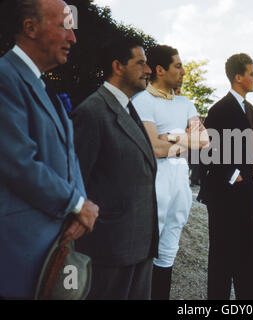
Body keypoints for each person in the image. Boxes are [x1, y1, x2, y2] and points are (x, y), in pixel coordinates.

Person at [0, 0, 99, 299]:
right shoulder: (5, 77)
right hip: (19, 254)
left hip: (53, 245)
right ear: (30, 28)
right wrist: (76, 204)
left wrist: (78, 207)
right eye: (64, 27)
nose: (73, 38)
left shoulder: (40, 84)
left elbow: (69, 155)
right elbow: (17, 162)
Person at [71, 38, 158, 300]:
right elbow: (76, 181)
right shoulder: (92, 111)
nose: (149, 70)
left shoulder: (128, 108)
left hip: (139, 247)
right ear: (118, 66)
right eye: (140, 63)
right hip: (109, 250)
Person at [132, 45, 209, 300]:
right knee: (145, 250)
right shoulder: (142, 100)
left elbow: (204, 141)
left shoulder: (186, 103)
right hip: (154, 180)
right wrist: (184, 142)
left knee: (168, 250)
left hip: (180, 182)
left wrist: (173, 137)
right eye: (178, 66)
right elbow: (153, 147)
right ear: (160, 70)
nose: (183, 71)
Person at [198, 53, 253, 300]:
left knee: (248, 254)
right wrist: (232, 174)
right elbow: (207, 149)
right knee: (222, 258)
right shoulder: (219, 109)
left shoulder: (249, 109)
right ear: (238, 77)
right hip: (224, 197)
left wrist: (252, 187)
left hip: (245, 195)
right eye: (252, 73)